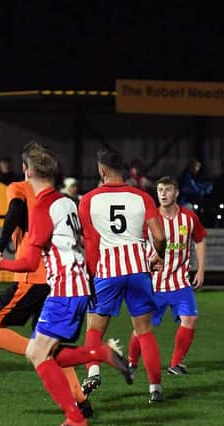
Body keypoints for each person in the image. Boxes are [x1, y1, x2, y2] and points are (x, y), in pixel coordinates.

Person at [0, 146, 132, 426]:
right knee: (46, 352)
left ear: (27, 172)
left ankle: (75, 417)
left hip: (62, 290)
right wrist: (89, 277)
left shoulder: (41, 208)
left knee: (37, 354)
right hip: (77, 286)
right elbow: (90, 242)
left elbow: (28, 261)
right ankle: (101, 355)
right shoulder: (67, 202)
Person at [0, 142, 92, 417]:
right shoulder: (60, 199)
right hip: (56, 278)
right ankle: (80, 402)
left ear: (26, 169)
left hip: (31, 277)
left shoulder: (20, 188)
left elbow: (14, 210)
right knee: (51, 342)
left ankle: (37, 354)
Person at [77, 147, 167, 404]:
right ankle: (155, 388)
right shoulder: (142, 197)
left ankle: (94, 371)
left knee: (94, 326)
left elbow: (90, 243)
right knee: (144, 331)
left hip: (108, 271)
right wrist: (157, 255)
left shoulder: (89, 200)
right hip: (138, 270)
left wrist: (92, 274)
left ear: (101, 169)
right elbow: (159, 236)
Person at [128, 176, 207, 376]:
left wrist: (200, 269)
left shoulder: (189, 217)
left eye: (167, 189)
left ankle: (175, 363)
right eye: (160, 190)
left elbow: (199, 240)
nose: (163, 194)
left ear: (177, 193)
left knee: (190, 318)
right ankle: (131, 363)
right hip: (154, 284)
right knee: (141, 327)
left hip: (180, 282)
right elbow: (135, 244)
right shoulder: (150, 219)